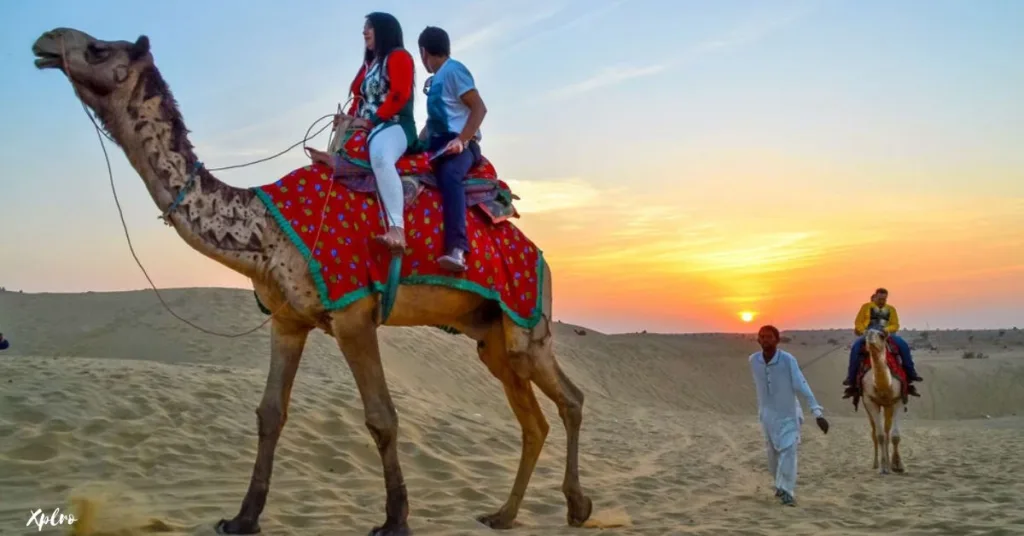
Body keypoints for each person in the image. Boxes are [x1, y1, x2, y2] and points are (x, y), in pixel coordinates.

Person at [312, 12, 419, 252]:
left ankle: (397, 228)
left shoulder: (399, 57)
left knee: (380, 156)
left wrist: (370, 122)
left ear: (383, 30)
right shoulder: (369, 66)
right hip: (369, 126)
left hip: (394, 125)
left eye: (369, 27)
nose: (364, 32)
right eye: (364, 28)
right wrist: (348, 119)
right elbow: (359, 99)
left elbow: (399, 96)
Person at [416, 26, 488, 272]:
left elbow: (479, 108)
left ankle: (457, 249)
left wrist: (462, 140)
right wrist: (413, 144)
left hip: (461, 145)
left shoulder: (455, 71)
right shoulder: (436, 80)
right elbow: (432, 123)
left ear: (424, 52)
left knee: (450, 175)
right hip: (436, 144)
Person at [749, 325, 829, 507]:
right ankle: (779, 486)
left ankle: (787, 491)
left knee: (788, 451)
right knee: (772, 455)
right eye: (762, 337)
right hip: (768, 416)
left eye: (769, 337)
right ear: (758, 340)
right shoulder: (753, 360)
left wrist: (817, 412)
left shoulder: (787, 360)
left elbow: (802, 385)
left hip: (789, 415)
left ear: (777, 340)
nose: (765, 340)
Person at [842, 288, 922, 399]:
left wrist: (887, 330)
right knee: (855, 348)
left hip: (886, 334)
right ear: (876, 296)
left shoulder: (891, 309)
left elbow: (895, 324)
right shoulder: (866, 307)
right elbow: (858, 322)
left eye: (884, 299)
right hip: (869, 333)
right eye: (880, 298)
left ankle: (911, 373)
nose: (882, 301)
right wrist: (863, 331)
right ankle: (851, 379)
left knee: (903, 345)